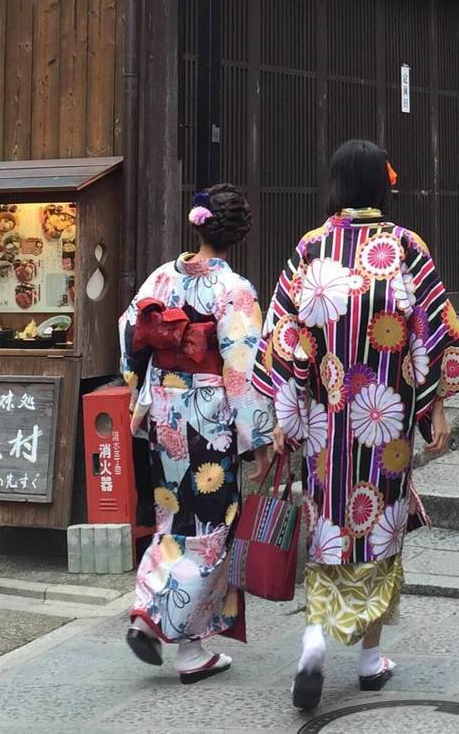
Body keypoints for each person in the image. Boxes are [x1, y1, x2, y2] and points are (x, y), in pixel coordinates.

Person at [255, 140, 459, 710]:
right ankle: (370, 660)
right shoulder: (404, 246)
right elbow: (434, 333)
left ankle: (312, 640)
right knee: (381, 531)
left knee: (329, 525)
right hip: (389, 423)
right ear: (383, 185)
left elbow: (286, 340)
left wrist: (285, 416)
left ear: (334, 186)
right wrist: (437, 409)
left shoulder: (310, 248)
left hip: (327, 422)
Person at [121, 184, 275, 683]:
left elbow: (133, 332)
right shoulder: (235, 290)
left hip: (166, 406)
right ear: (240, 234)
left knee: (173, 516)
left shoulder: (162, 276)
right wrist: (259, 438)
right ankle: (161, 622)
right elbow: (241, 367)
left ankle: (174, 634)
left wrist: (137, 394)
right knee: (210, 528)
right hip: (208, 415)